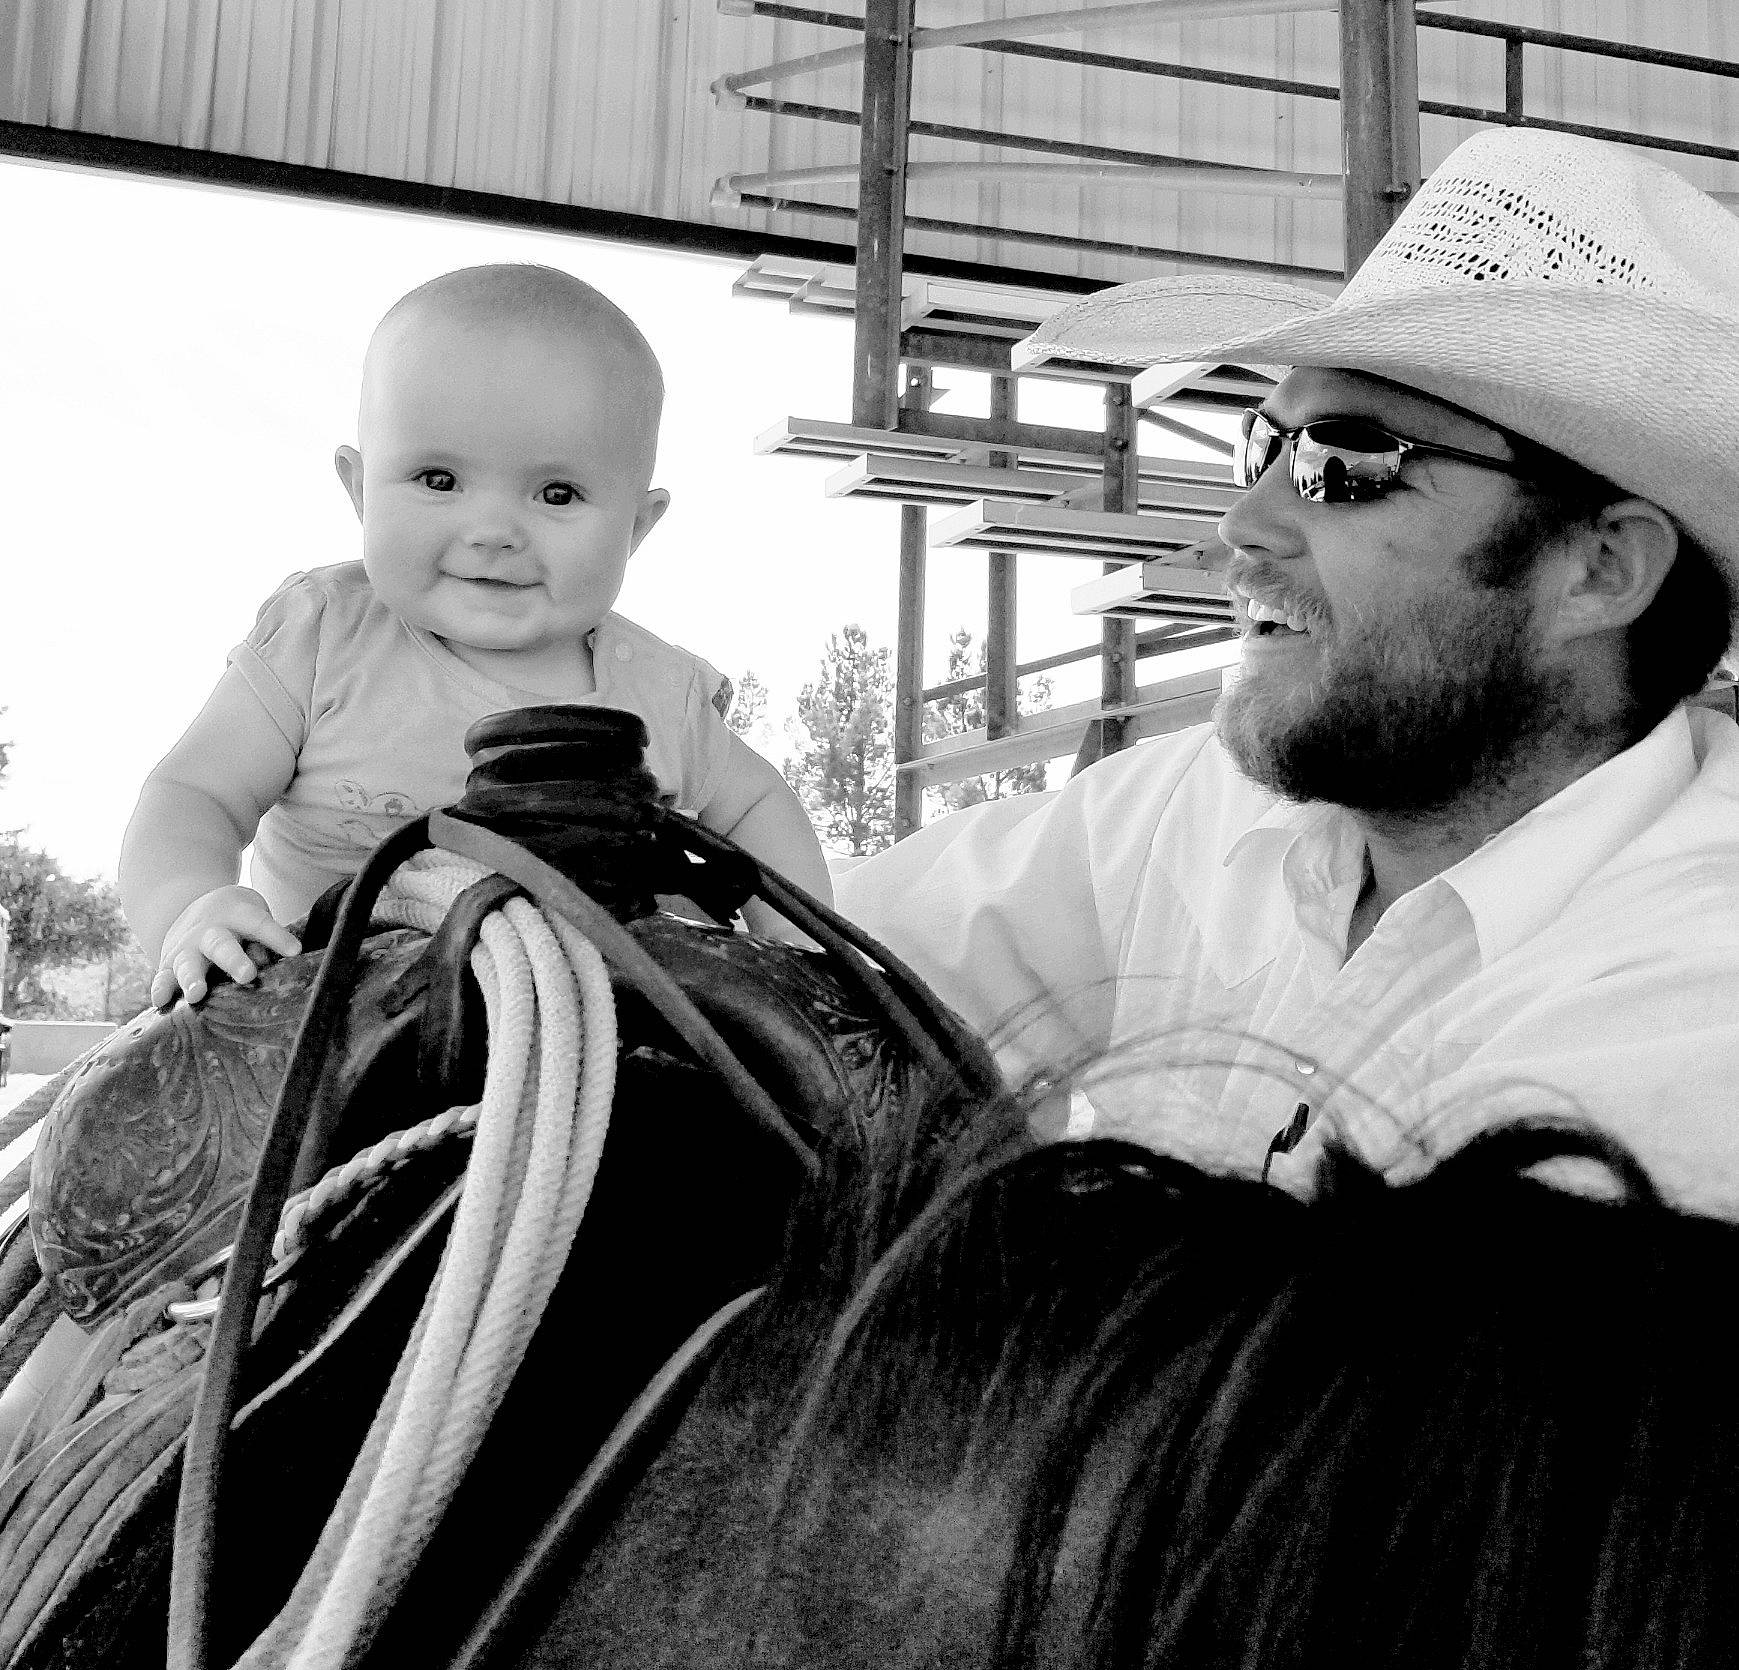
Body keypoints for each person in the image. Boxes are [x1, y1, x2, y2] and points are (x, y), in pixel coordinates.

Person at [835, 128, 1739, 1217]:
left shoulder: (1695, 994)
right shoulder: (1202, 812)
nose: (1241, 523)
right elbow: (821, 976)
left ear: (1597, 569)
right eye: (1255, 450)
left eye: (1342, 465)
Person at [120, 263, 832, 1006]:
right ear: (360, 490)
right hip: (335, 1010)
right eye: (437, 479)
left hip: (589, 1014)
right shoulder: (326, 637)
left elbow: (755, 807)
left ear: (637, 526)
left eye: (556, 494)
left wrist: (800, 954)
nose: (493, 532)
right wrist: (192, 905)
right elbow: (193, 792)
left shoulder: (661, 692)